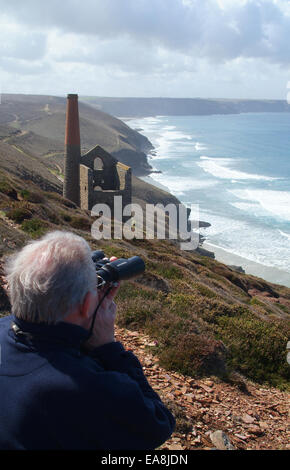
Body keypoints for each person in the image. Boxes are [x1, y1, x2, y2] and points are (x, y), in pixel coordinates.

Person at [0, 231, 175, 450]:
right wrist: (107, 348)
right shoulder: (88, 388)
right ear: (85, 304)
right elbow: (158, 423)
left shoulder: (4, 326)